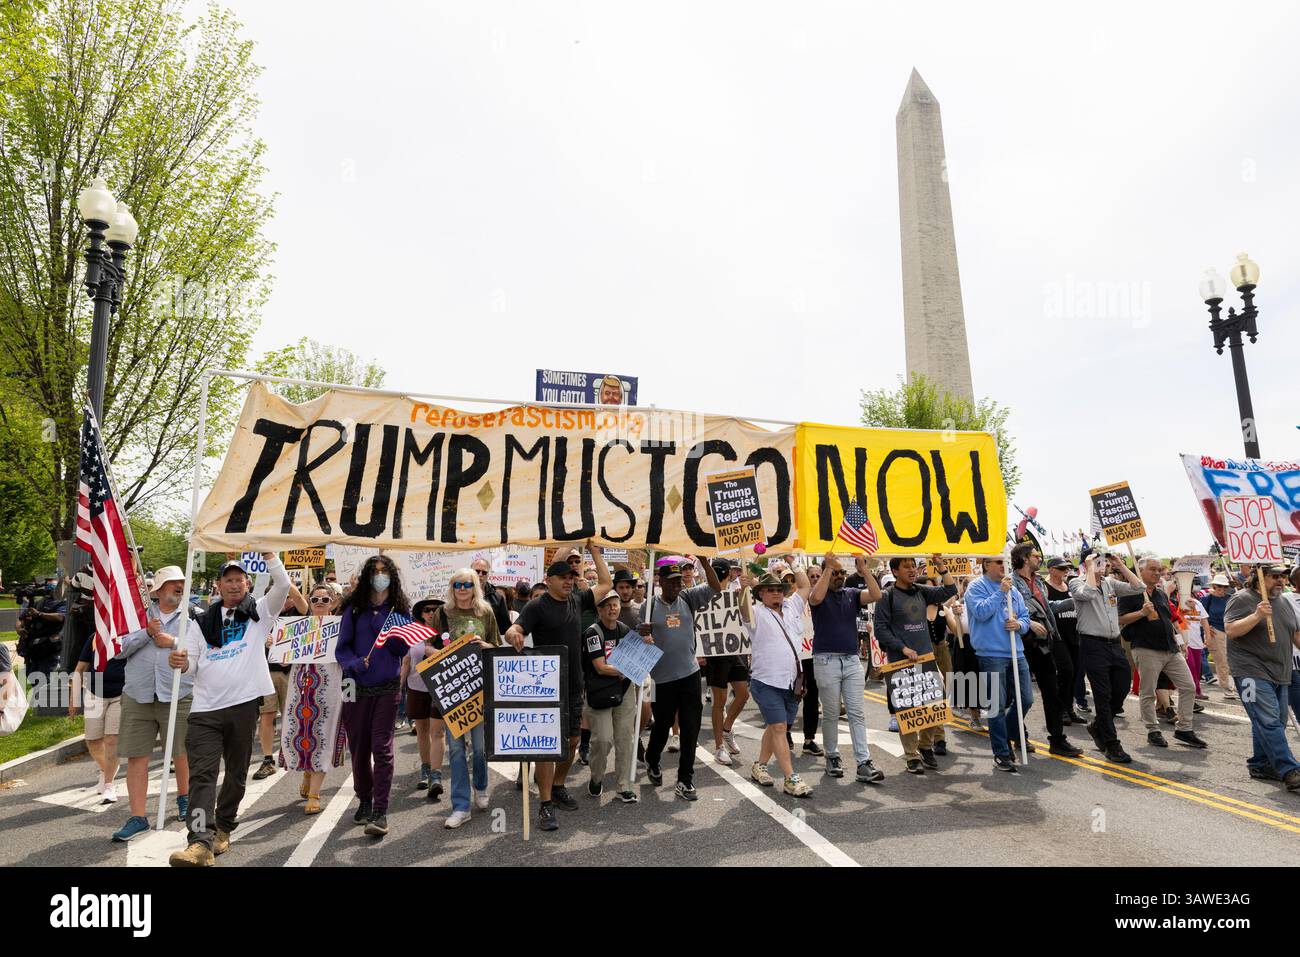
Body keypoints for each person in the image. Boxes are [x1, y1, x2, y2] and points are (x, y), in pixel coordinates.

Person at [167, 554, 289, 866]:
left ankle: (223, 826)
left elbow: (283, 584)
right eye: (228, 580)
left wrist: (270, 555)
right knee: (202, 776)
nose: (234, 584)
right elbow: (193, 664)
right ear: (219, 585)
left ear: (247, 583)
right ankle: (199, 843)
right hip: (205, 709)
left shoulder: (260, 613)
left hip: (244, 706)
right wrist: (183, 663)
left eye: (239, 579)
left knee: (236, 774)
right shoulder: (200, 622)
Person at [505, 541, 612, 831]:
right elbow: (517, 628)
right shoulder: (537, 606)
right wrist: (512, 633)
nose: (568, 581)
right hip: (544, 688)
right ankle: (545, 804)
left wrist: (596, 552)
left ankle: (560, 783)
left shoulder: (578, 599)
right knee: (545, 748)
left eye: (571, 577)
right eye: (562, 577)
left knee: (573, 743)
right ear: (548, 580)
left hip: (574, 684)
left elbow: (606, 583)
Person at [112, 567, 195, 843]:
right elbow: (118, 649)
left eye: (181, 584)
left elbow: (201, 651)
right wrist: (146, 633)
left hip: (178, 694)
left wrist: (172, 642)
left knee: (181, 752)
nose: (178, 588)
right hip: (139, 695)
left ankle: (185, 798)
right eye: (172, 584)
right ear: (158, 591)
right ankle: (138, 817)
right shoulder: (137, 617)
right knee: (137, 757)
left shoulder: (194, 616)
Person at [334, 555, 412, 837]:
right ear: (368, 576)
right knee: (358, 746)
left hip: (387, 688)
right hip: (354, 686)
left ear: (392, 576)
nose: (380, 576)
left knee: (382, 748)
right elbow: (341, 650)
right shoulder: (354, 610)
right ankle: (364, 798)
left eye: (385, 572)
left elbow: (402, 651)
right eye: (375, 571)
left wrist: (392, 637)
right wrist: (354, 663)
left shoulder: (401, 612)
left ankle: (380, 810)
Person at [636, 556, 722, 802]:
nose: (677, 585)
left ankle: (685, 779)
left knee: (690, 727)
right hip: (663, 679)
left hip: (690, 675)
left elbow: (716, 588)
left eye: (680, 581)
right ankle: (652, 759)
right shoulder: (649, 606)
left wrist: (705, 562)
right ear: (660, 581)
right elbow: (642, 637)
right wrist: (642, 632)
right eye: (672, 581)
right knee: (662, 727)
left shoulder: (688, 598)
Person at [873, 555, 957, 772]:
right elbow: (881, 629)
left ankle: (925, 746)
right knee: (907, 709)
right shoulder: (886, 596)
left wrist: (941, 567)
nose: (911, 570)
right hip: (901, 661)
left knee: (934, 704)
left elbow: (949, 591)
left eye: (913, 566)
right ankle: (911, 755)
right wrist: (902, 648)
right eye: (906, 567)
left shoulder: (922, 590)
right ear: (894, 571)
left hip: (926, 658)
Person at [430, 568, 500, 828]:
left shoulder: (486, 612)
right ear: (452, 587)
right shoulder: (442, 613)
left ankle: (481, 787)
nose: (462, 588)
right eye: (457, 584)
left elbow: (497, 644)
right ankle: (460, 806)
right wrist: (439, 652)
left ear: (475, 587)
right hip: (452, 691)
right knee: (457, 750)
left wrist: (486, 646)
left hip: (479, 689)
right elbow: (428, 645)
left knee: (480, 748)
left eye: (467, 584)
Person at [809, 552, 885, 784]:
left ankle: (863, 762)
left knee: (856, 713)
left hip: (851, 661)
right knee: (831, 713)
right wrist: (828, 569)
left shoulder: (851, 594)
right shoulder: (818, 594)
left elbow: (876, 594)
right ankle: (832, 756)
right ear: (826, 573)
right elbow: (815, 598)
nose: (840, 575)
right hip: (826, 660)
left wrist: (865, 571)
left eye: (843, 572)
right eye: (835, 572)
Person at [1224, 563, 1300, 791]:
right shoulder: (1242, 598)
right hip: (1250, 671)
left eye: (1283, 576)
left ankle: (1261, 763)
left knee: (1274, 722)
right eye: (1275, 576)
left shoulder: (1284, 601)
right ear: (1259, 577)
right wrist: (1257, 615)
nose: (1281, 580)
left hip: (1280, 671)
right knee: (1267, 720)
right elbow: (1231, 630)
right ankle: (1290, 769)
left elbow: (1295, 633)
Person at [1118, 558, 1206, 750]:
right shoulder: (1130, 593)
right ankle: (1152, 730)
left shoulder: (1160, 594)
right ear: (1140, 572)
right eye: (1152, 569)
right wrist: (1142, 613)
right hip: (1146, 648)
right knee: (1148, 691)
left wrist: (1180, 641)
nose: (1157, 573)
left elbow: (1170, 619)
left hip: (1170, 649)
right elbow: (1121, 619)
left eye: (1159, 570)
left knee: (1188, 686)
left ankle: (1184, 728)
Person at [1069, 553, 1146, 764]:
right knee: (1102, 695)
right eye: (1097, 562)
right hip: (1093, 644)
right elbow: (1087, 594)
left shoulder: (1111, 583)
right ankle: (1112, 744)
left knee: (1121, 689)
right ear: (1086, 564)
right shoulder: (1077, 582)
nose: (1101, 566)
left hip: (1114, 643)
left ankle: (1098, 726)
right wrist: (1090, 570)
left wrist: (1120, 565)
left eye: (1103, 563)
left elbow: (1139, 587)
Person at [741, 572, 813, 796]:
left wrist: (793, 561)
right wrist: (743, 589)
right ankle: (791, 778)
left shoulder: (792, 606)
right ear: (760, 594)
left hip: (792, 681)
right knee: (780, 727)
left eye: (779, 589)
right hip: (766, 681)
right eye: (770, 590)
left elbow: (805, 585)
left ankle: (760, 765)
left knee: (777, 727)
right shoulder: (756, 613)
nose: (776, 593)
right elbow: (744, 610)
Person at [1009, 544, 1084, 758]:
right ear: (1024, 558)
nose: (1039, 558)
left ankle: (1057, 740)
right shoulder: (1010, 582)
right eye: (1035, 555)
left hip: (1045, 642)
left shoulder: (1039, 581)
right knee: (1020, 695)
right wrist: (1029, 622)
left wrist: (1071, 601)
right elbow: (1011, 609)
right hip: (1022, 643)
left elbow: (1047, 608)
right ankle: (1017, 733)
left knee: (1052, 690)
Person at [279, 584, 348, 815]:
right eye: (315, 599)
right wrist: (277, 647)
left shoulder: (341, 627)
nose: (319, 603)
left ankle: (315, 793)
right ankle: (307, 772)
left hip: (328, 690)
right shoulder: (300, 627)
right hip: (300, 689)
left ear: (334, 602)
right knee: (301, 733)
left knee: (322, 734)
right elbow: (284, 660)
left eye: (325, 599)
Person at [964, 556, 1033, 772]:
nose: (1004, 566)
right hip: (990, 653)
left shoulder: (1014, 589)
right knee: (997, 705)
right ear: (986, 565)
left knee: (1026, 699)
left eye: (1005, 562)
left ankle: (1009, 732)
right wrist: (1000, 592)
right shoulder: (976, 587)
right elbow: (981, 613)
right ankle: (1002, 752)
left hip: (1016, 651)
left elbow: (1025, 616)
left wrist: (1019, 624)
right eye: (998, 562)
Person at [582, 589, 643, 802]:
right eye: (607, 605)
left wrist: (646, 648)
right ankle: (596, 777)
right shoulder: (592, 633)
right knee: (603, 740)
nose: (612, 608)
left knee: (625, 739)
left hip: (624, 691)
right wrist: (627, 668)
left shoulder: (625, 630)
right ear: (599, 609)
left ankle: (624, 786)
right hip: (600, 693)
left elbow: (639, 657)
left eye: (615, 604)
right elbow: (600, 667)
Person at [703, 557, 752, 766]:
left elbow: (747, 617)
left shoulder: (736, 592)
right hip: (715, 653)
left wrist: (746, 594)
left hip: (734, 649)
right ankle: (719, 747)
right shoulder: (704, 594)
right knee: (719, 701)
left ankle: (726, 729)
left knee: (743, 694)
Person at [254, 588, 306, 780]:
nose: (284, 601)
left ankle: (293, 753)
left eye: (286, 596)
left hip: (291, 673)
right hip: (266, 672)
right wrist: (262, 641)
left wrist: (284, 581)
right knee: (266, 715)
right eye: (278, 597)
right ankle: (268, 759)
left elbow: (300, 600)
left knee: (291, 714)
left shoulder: (298, 613)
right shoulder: (262, 616)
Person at [69, 628, 126, 802]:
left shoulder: (129, 637)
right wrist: (74, 699)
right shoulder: (94, 638)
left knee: (111, 739)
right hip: (96, 693)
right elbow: (80, 669)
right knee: (93, 741)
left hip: (121, 693)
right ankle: (106, 770)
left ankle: (109, 785)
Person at [403, 597, 447, 800]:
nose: (431, 613)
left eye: (436, 610)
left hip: (439, 686)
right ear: (421, 614)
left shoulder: (446, 633)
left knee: (437, 731)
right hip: (417, 686)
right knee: (422, 730)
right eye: (427, 610)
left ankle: (435, 777)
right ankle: (426, 768)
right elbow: (406, 661)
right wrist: (398, 687)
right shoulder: (412, 634)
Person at [1045, 557, 1087, 719]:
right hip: (1057, 636)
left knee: (1075, 673)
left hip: (1074, 635)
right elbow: (1047, 607)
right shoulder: (1045, 587)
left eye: (1067, 569)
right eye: (1062, 568)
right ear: (1051, 569)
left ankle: (1069, 708)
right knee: (1065, 671)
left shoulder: (1069, 586)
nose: (1066, 571)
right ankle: (1060, 709)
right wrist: (1071, 601)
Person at [1201, 574, 1237, 699]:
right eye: (1219, 586)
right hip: (1215, 631)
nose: (1222, 589)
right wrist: (1207, 628)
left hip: (1231, 631)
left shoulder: (1231, 598)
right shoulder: (1207, 599)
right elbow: (1201, 616)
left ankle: (1236, 685)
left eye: (1225, 586)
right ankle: (1226, 687)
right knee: (1221, 661)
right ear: (1214, 586)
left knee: (1234, 660)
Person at [470, 557, 514, 636]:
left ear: (488, 575)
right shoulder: (461, 593)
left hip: (489, 643)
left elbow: (504, 627)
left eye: (484, 572)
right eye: (477, 571)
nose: (480, 575)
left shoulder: (497, 598)